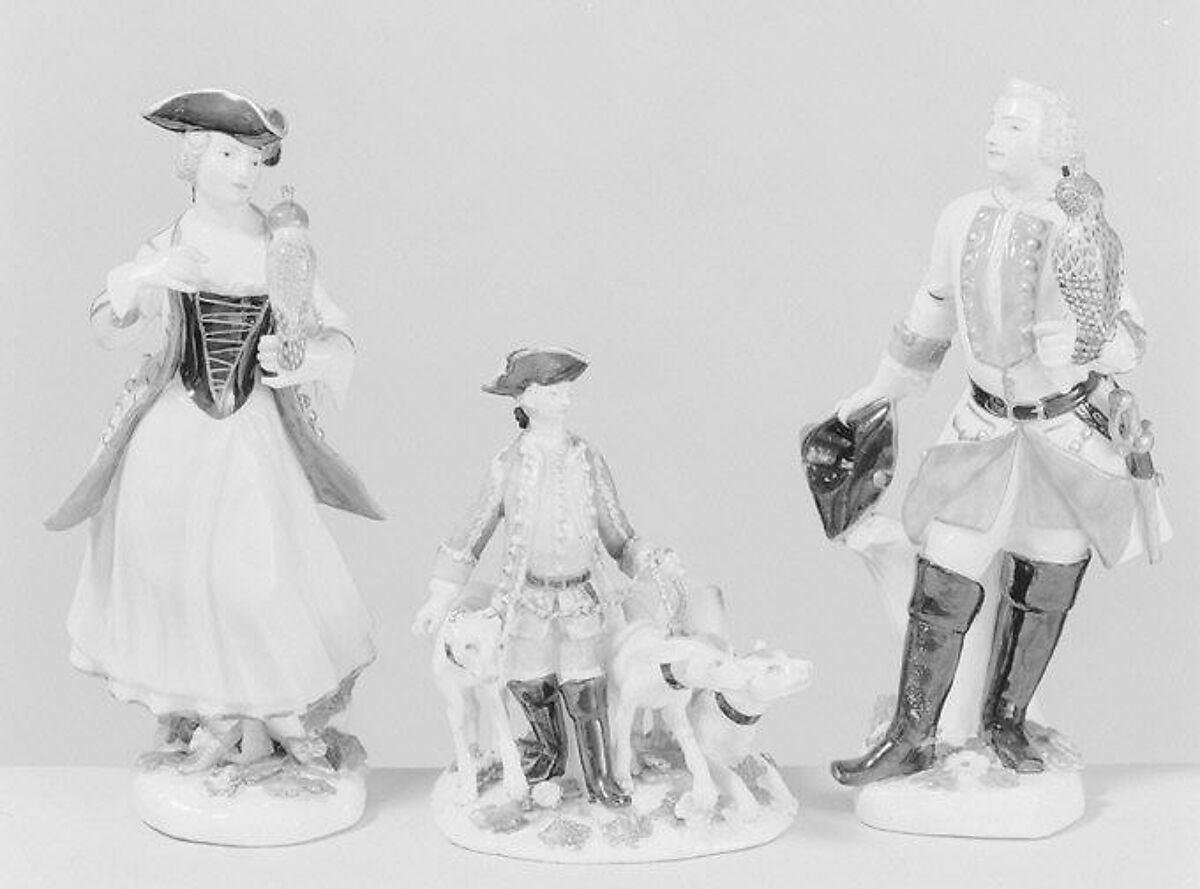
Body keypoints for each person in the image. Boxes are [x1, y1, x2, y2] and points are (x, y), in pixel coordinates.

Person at [829, 79, 1164, 785]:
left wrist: (1085, 343)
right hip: (981, 429)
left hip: (1063, 438)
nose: (992, 135)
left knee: (1047, 578)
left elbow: (1130, 338)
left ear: (1052, 145)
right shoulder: (960, 217)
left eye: (1013, 126)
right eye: (994, 122)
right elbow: (931, 310)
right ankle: (911, 734)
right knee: (943, 575)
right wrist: (881, 386)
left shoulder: (1085, 230)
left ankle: (1007, 719)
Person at [47, 89, 383, 771]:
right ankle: (217, 715)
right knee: (174, 574)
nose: (243, 172)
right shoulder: (169, 244)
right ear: (194, 159)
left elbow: (336, 334)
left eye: (254, 160)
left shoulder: (281, 248)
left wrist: (302, 360)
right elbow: (105, 325)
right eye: (229, 155)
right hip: (174, 433)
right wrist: (149, 276)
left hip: (251, 434)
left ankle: (271, 712)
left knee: (257, 577)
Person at [413, 347, 681, 807]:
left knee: (585, 686)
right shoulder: (508, 464)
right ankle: (549, 754)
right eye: (554, 391)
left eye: (567, 390)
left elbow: (618, 532)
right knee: (530, 682)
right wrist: (440, 596)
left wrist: (650, 558)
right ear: (527, 398)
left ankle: (599, 777)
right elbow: (473, 528)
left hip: (581, 597)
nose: (566, 399)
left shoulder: (587, 458)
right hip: (527, 598)